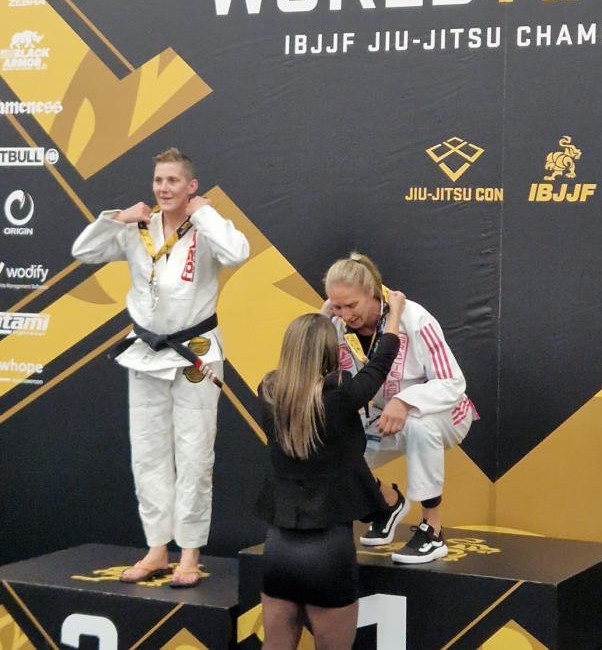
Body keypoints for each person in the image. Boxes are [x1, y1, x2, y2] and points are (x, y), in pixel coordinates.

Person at [71, 147, 249, 587]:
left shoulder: (206, 227)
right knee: (147, 453)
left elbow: (237, 252)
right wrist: (117, 217)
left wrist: (205, 213)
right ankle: (156, 548)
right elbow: (82, 250)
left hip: (195, 353)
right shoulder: (139, 227)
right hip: (146, 351)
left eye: (173, 181)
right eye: (158, 181)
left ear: (191, 186)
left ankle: (189, 554)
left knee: (194, 455)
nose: (164, 188)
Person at [256, 293, 405, 650]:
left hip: (279, 551)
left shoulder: (269, 393)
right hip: (328, 554)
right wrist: (396, 313)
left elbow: (302, 353)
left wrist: (321, 318)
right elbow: (380, 363)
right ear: (328, 352)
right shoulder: (339, 394)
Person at [323, 253, 478, 564]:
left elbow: (453, 382)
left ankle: (432, 530)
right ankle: (388, 503)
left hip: (443, 413)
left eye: (351, 305)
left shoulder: (415, 318)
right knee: (332, 444)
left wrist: (406, 401)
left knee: (419, 426)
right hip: (385, 416)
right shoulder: (337, 326)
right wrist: (324, 318)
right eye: (337, 307)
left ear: (371, 292)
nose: (345, 314)